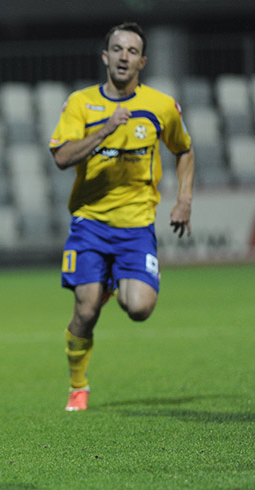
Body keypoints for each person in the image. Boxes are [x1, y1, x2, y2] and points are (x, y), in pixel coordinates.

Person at [49, 22, 194, 411]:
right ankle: (78, 386)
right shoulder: (81, 103)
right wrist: (105, 129)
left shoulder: (161, 105)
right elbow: (61, 157)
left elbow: (184, 149)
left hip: (136, 226)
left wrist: (184, 200)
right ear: (105, 56)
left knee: (140, 309)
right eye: (117, 49)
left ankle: (112, 282)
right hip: (90, 223)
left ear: (142, 61)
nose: (124, 57)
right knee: (86, 311)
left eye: (132, 51)